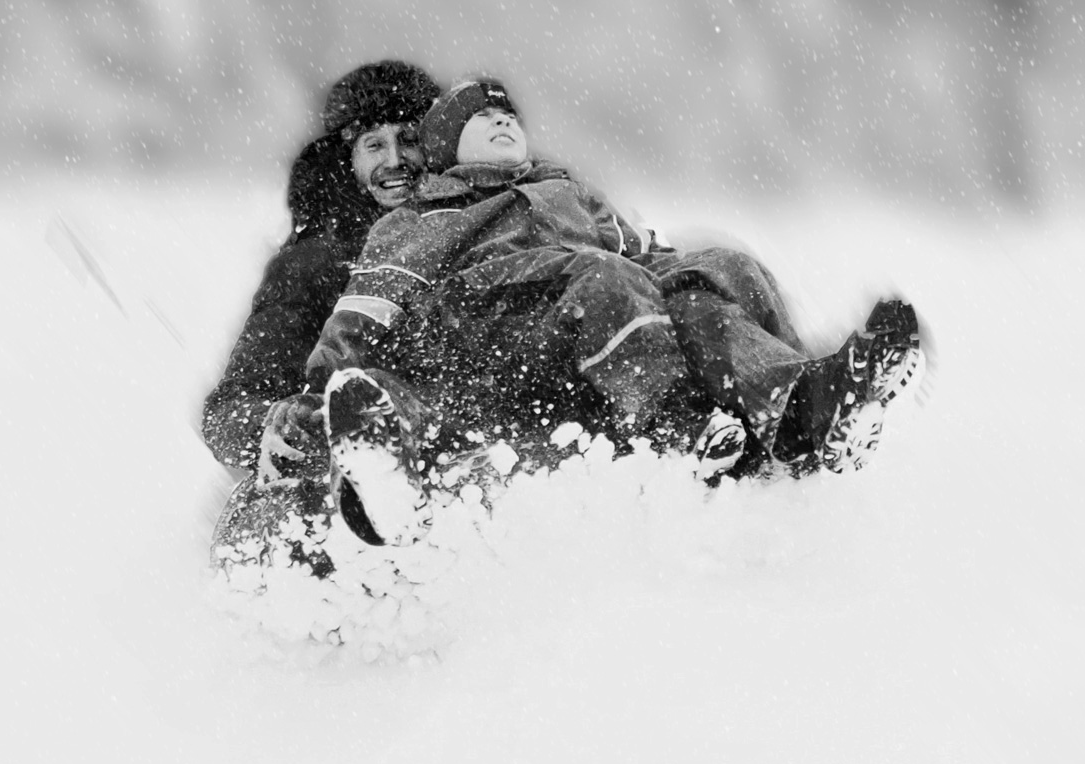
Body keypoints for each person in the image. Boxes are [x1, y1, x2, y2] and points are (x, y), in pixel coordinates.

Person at [306, 79, 923, 547]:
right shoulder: (425, 217)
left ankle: (796, 412)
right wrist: (315, 396)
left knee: (714, 273)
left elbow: (652, 260)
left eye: (506, 115)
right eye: (481, 118)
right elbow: (367, 308)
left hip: (585, 334)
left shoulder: (571, 197)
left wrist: (704, 278)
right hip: (488, 332)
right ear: (445, 147)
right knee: (604, 276)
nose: (500, 122)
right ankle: (675, 427)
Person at [202, 61, 442, 575]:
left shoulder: (480, 235)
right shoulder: (314, 265)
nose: (395, 159)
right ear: (347, 161)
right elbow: (229, 410)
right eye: (374, 145)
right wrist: (288, 426)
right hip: (337, 482)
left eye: (409, 139)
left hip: (455, 451)